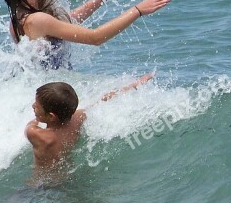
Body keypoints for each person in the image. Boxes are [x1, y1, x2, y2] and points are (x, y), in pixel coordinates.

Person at [0, 0, 172, 69]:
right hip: (55, 95)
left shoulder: (17, 21)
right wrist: (138, 10)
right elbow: (96, 38)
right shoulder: (38, 20)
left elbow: (69, 20)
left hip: (47, 91)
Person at [26, 73, 154, 172]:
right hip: (67, 174)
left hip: (43, 183)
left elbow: (30, 125)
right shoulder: (78, 118)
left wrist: (37, 119)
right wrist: (135, 85)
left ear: (51, 116)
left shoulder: (38, 135)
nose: (33, 106)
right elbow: (101, 102)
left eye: (36, 106)